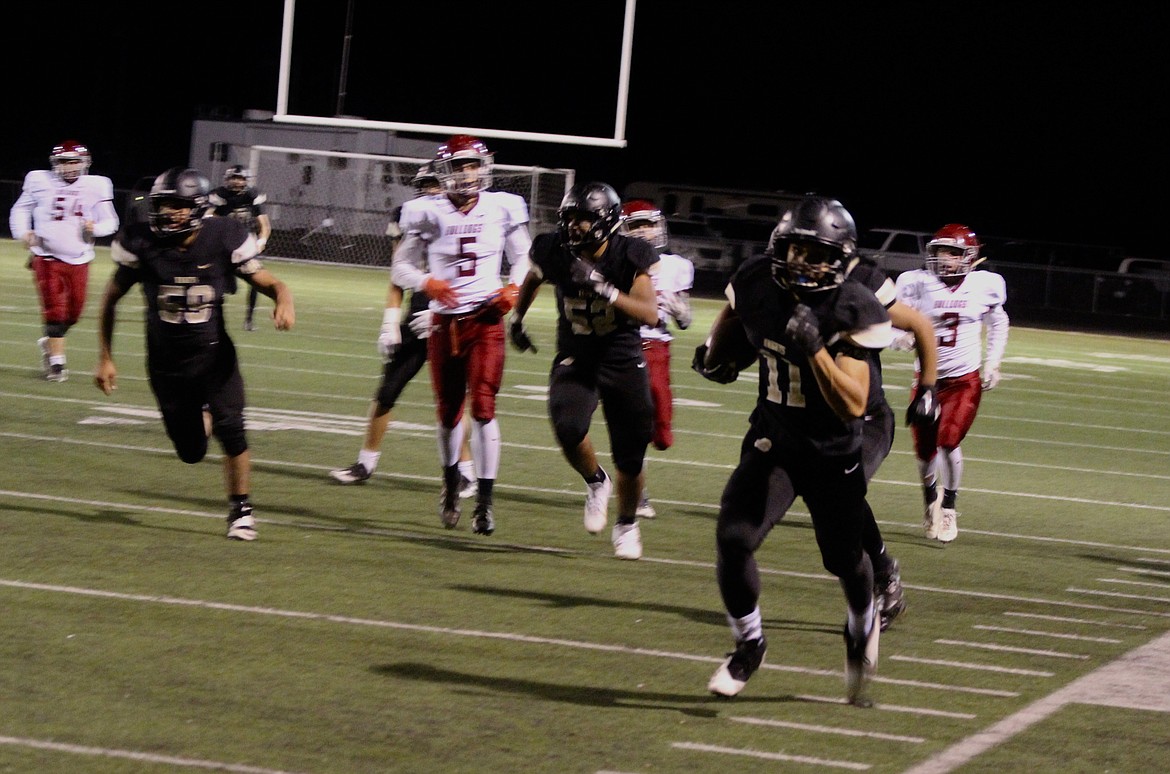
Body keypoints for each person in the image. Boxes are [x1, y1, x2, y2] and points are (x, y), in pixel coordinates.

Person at [693, 196, 892, 704]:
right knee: (734, 536)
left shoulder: (854, 307)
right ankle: (749, 644)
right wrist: (717, 356)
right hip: (775, 438)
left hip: (832, 449)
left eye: (816, 254)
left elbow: (851, 403)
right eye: (795, 250)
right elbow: (736, 311)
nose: (803, 263)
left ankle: (861, 620)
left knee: (846, 562)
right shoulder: (758, 278)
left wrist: (817, 351)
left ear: (841, 259)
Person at [93, 167, 295, 541]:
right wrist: (105, 356)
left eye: (177, 206)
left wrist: (284, 298)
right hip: (167, 365)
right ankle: (204, 416)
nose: (167, 213)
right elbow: (109, 300)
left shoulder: (224, 235)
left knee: (233, 428)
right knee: (190, 451)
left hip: (215, 356)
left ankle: (241, 510)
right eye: (163, 205)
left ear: (199, 208)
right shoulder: (142, 242)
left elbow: (269, 281)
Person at [509, 182, 661, 560]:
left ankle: (627, 524)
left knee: (631, 455)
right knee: (568, 427)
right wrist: (517, 318)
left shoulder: (629, 254)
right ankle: (596, 482)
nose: (574, 226)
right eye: (570, 218)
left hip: (622, 359)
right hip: (576, 356)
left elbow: (650, 313)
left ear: (607, 220)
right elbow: (532, 278)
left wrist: (605, 289)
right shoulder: (554, 250)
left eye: (583, 219)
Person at [390, 136, 532, 536]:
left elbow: (524, 255)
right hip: (445, 323)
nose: (467, 173)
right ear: (445, 172)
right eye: (459, 166)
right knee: (448, 412)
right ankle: (451, 480)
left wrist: (514, 289)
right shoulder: (425, 211)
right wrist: (426, 282)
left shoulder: (502, 206)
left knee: (484, 407)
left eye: (472, 165)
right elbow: (400, 269)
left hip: (486, 318)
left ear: (483, 166)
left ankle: (485, 502)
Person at [330, 164, 476, 496]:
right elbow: (400, 273)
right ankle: (366, 462)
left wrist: (442, 314)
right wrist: (389, 323)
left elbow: (472, 278)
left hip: (453, 321)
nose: (431, 191)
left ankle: (466, 472)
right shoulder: (410, 217)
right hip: (416, 321)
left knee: (452, 400)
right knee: (387, 391)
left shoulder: (466, 216)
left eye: (436, 185)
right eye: (425, 185)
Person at [893, 223, 1009, 543]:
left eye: (953, 252)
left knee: (948, 439)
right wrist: (897, 338)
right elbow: (889, 320)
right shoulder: (915, 283)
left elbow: (998, 321)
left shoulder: (985, 285)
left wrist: (993, 362)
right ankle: (930, 497)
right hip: (926, 381)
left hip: (963, 380)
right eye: (941, 251)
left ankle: (949, 506)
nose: (945, 259)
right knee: (924, 451)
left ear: (970, 257)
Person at [847, 254, 939, 631]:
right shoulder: (777, 284)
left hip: (867, 417)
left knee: (846, 492)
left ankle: (883, 576)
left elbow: (918, 323)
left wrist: (928, 389)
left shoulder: (859, 278)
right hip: (814, 419)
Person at [9, 140, 120, 382]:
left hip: (80, 258)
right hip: (45, 256)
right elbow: (20, 210)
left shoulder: (98, 185)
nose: (69, 166)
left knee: (75, 311)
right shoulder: (39, 180)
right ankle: (57, 364)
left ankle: (50, 341)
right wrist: (23, 232)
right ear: (54, 163)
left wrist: (95, 228)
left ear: (84, 163)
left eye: (74, 161)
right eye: (63, 161)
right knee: (55, 309)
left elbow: (111, 222)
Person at [618, 199, 695, 520]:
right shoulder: (617, 261)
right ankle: (638, 494)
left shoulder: (677, 266)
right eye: (636, 225)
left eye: (649, 224)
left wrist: (680, 310)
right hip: (625, 345)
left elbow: (686, 321)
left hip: (659, 349)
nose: (645, 231)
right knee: (634, 425)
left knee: (661, 435)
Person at [208, 165, 272, 331]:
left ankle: (249, 320)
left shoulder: (252, 195)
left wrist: (261, 241)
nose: (237, 181)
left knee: (255, 279)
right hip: (224, 243)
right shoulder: (219, 195)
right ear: (227, 180)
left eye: (240, 178)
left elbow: (264, 224)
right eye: (234, 178)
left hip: (246, 242)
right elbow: (208, 219)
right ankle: (213, 316)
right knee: (219, 282)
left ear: (246, 181)